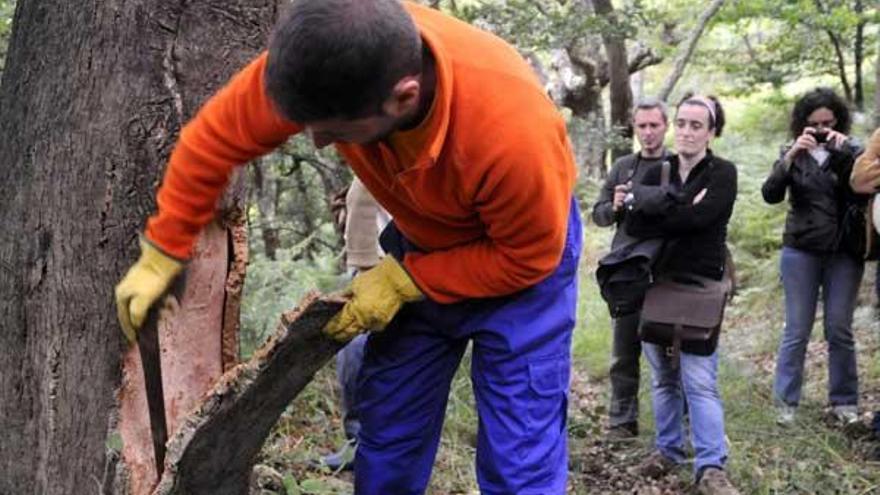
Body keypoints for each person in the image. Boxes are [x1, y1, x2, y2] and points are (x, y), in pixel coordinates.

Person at [114, 1, 580, 493]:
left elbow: (528, 256)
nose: (316, 142)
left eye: (334, 131)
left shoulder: (512, 130)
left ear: (404, 98)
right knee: (388, 432)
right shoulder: (322, 59)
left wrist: (409, 280)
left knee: (519, 457)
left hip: (522, 270)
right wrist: (164, 251)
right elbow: (214, 140)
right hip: (420, 241)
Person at [627, 94, 739, 495]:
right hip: (658, 283)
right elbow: (635, 222)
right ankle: (668, 449)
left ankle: (711, 465)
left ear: (711, 132)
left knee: (700, 380)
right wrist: (674, 208)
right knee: (662, 379)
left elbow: (705, 218)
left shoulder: (723, 172)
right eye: (683, 123)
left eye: (697, 125)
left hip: (701, 287)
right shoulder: (659, 170)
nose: (688, 132)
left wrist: (662, 211)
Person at [761, 87, 865, 428]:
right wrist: (791, 155)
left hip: (843, 251)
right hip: (801, 249)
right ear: (802, 125)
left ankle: (845, 400)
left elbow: (864, 187)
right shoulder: (791, 153)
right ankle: (785, 403)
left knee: (839, 327)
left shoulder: (851, 152)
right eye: (814, 124)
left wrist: (845, 148)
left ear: (837, 121)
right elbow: (770, 194)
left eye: (827, 123)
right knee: (796, 329)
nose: (820, 130)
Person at [592, 97, 672, 438]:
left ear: (666, 126)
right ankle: (622, 422)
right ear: (635, 128)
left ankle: (674, 427)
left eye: (655, 125)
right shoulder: (623, 166)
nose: (649, 132)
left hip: (668, 268)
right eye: (642, 126)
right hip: (626, 269)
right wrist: (614, 206)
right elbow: (598, 215)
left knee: (669, 352)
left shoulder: (679, 165)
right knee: (624, 351)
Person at [321, 177, 390, 472]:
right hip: (364, 266)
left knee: (370, 355)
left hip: (392, 264)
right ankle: (356, 444)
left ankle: (376, 449)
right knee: (351, 357)